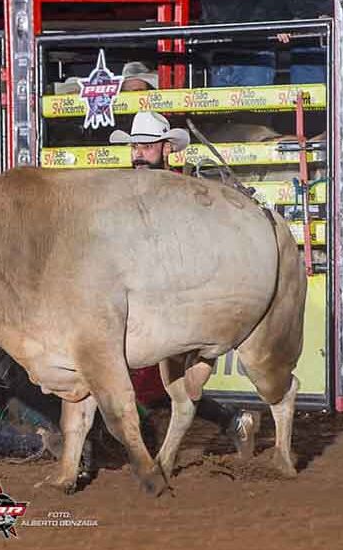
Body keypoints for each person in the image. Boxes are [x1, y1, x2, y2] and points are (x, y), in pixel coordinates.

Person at [110, 111, 259, 454]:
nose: (139, 153)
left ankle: (226, 420)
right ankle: (231, 420)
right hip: (140, 296)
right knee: (155, 383)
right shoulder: (124, 190)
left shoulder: (184, 191)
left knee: (160, 382)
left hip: (177, 298)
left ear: (165, 148)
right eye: (135, 145)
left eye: (147, 146)